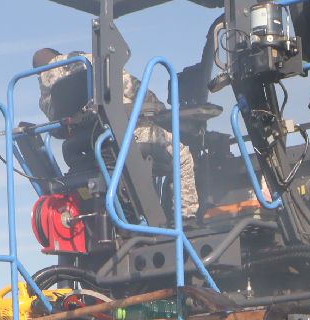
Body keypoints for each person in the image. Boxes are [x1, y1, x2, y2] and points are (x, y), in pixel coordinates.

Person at [32, 47, 197, 219]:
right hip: (124, 134)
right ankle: (186, 218)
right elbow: (129, 85)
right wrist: (158, 109)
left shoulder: (45, 96)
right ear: (58, 54)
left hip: (87, 148)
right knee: (181, 155)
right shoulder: (83, 61)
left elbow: (59, 126)